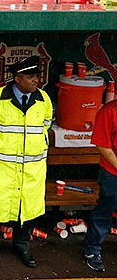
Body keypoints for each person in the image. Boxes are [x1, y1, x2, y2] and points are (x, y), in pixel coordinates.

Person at [0, 56, 53, 270]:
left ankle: (22, 246)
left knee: (25, 210)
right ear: (17, 79)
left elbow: (46, 125)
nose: (36, 80)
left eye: (36, 76)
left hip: (31, 168)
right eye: (30, 77)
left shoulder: (44, 99)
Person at [84, 97, 117, 272]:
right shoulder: (108, 111)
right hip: (113, 172)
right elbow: (103, 146)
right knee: (105, 211)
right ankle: (92, 250)